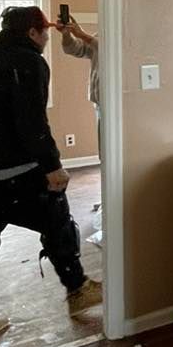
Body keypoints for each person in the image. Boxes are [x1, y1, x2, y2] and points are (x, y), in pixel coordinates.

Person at [0, 5, 101, 347]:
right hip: (15, 173)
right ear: (32, 33)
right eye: (43, 32)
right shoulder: (28, 62)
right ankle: (78, 290)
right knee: (59, 221)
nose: (46, 39)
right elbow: (32, 121)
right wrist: (53, 166)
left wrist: (70, 33)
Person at [60, 17, 101, 243]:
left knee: (110, 154)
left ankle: (111, 199)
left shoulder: (119, 35)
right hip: (100, 102)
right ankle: (107, 198)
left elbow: (112, 50)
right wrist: (68, 33)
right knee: (104, 155)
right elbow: (74, 49)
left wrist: (83, 33)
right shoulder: (100, 36)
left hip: (116, 106)